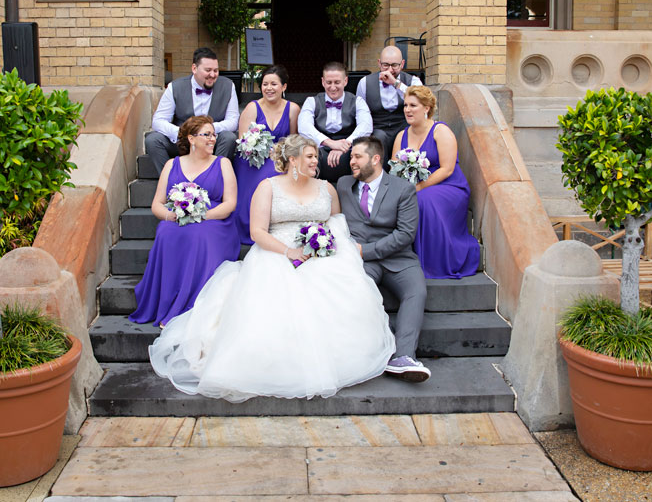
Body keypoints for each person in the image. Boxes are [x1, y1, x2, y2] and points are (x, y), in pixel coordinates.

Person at [149, 134, 396, 402]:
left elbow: (336, 223)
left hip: (319, 253)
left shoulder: (327, 188)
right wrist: (289, 252)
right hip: (275, 251)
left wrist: (321, 245)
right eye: (311, 156)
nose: (316, 161)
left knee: (336, 284)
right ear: (293, 160)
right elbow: (257, 231)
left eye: (316, 156)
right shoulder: (268, 187)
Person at [129, 116, 240, 327]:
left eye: (213, 135)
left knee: (199, 235)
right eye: (206, 135)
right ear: (191, 138)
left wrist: (200, 216)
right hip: (177, 218)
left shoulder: (222, 163)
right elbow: (157, 204)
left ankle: (193, 305)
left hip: (215, 220)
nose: (212, 139)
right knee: (165, 231)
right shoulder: (172, 165)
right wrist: (170, 216)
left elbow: (230, 204)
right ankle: (169, 301)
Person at [337, 136, 431, 382]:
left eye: (357, 157)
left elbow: (405, 234)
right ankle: (374, 351)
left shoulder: (403, 189)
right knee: (356, 290)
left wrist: (364, 251)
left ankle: (404, 357)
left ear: (376, 159)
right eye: (351, 157)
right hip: (361, 261)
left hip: (398, 257)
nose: (352, 161)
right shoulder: (344, 185)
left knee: (416, 291)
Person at [392, 86, 481, 279]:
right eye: (405, 105)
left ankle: (433, 262)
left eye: (413, 105)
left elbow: (447, 168)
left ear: (426, 108)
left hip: (448, 186)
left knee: (423, 200)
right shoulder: (401, 136)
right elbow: (394, 169)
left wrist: (419, 187)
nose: (407, 109)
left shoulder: (440, 131)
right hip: (414, 187)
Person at [232, 64, 299, 244]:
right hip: (252, 158)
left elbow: (292, 140)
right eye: (265, 84)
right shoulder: (252, 108)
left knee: (278, 169)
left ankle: (275, 225)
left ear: (284, 87)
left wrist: (278, 152)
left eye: (274, 84)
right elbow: (243, 141)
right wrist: (260, 150)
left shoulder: (292, 109)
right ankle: (249, 226)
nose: (268, 88)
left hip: (280, 157)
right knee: (265, 173)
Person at [145, 47, 239, 174]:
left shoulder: (228, 86)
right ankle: (172, 183)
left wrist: (206, 132)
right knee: (153, 140)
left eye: (216, 70)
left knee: (229, 138)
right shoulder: (175, 87)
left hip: (212, 141)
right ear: (194, 68)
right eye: (208, 70)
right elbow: (158, 120)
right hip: (183, 142)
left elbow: (233, 121)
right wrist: (181, 133)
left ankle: (213, 178)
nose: (213, 75)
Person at [298, 61, 373, 181]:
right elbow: (303, 127)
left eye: (337, 82)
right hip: (320, 147)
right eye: (329, 82)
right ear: (323, 81)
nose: (333, 87)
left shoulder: (357, 101)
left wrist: (345, 144)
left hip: (349, 146)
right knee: (306, 152)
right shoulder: (311, 101)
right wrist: (330, 143)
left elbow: (366, 126)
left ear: (345, 81)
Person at [356, 45, 423, 163]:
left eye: (394, 65)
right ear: (379, 63)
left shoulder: (413, 81)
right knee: (378, 138)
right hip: (377, 128)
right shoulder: (365, 82)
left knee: (407, 135)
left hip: (404, 127)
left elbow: (420, 102)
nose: (390, 70)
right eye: (385, 65)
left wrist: (395, 83)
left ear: (402, 64)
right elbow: (359, 112)